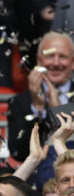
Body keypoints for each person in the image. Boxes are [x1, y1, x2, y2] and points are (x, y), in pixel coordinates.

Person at [8, 31, 74, 162]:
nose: (56, 63)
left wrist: (58, 111)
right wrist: (37, 107)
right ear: (39, 61)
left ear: (73, 62)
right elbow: (19, 153)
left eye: (62, 56)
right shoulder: (20, 102)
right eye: (50, 56)